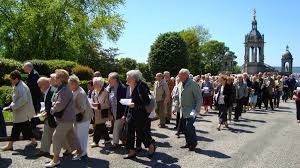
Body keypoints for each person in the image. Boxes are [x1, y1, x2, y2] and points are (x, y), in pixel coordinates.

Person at [45, 69, 78, 167]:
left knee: (56, 137)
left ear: (60, 78)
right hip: (65, 118)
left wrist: (51, 110)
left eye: (56, 76)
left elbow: (59, 105)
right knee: (70, 136)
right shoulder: (61, 87)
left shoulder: (64, 89)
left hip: (65, 118)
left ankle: (55, 160)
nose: (54, 78)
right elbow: (56, 101)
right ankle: (78, 152)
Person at [123, 70, 156, 159]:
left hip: (141, 114)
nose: (126, 78)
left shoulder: (141, 86)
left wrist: (135, 105)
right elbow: (129, 101)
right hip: (131, 113)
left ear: (133, 78)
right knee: (129, 132)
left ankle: (151, 146)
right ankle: (131, 151)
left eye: (128, 77)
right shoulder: (130, 86)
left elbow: (147, 101)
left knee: (142, 132)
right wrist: (125, 115)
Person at [1, 70, 37, 151]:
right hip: (21, 112)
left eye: (11, 79)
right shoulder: (19, 85)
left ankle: (10, 145)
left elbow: (23, 100)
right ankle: (34, 141)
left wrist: (12, 107)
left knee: (16, 128)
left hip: (22, 111)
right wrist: (11, 106)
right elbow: (17, 99)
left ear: (16, 79)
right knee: (26, 127)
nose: (10, 81)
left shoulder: (21, 87)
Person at [173, 69, 202, 151]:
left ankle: (193, 142)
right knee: (184, 128)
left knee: (189, 126)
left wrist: (197, 110)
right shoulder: (180, 84)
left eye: (180, 75)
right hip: (183, 111)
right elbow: (177, 98)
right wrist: (175, 108)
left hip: (192, 110)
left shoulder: (193, 84)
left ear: (186, 75)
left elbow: (199, 98)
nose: (178, 76)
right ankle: (188, 143)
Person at [69, 75, 94, 160]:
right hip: (79, 117)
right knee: (77, 135)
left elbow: (82, 108)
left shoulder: (80, 93)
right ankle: (79, 151)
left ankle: (82, 153)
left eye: (70, 84)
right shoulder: (75, 90)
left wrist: (71, 109)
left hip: (83, 117)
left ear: (74, 83)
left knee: (81, 136)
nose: (69, 86)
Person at [35, 77, 57, 157]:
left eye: (40, 86)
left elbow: (53, 104)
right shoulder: (48, 90)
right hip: (49, 117)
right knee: (46, 134)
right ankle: (44, 150)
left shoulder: (52, 91)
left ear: (46, 84)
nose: (40, 88)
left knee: (59, 136)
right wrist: (44, 112)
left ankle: (69, 149)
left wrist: (46, 113)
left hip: (54, 117)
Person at [106, 72, 127, 149]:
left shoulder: (122, 88)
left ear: (115, 80)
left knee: (116, 127)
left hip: (120, 112)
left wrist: (124, 114)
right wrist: (109, 112)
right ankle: (124, 140)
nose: (108, 81)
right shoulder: (109, 88)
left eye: (110, 80)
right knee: (119, 128)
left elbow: (125, 102)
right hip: (113, 112)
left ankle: (115, 143)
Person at [90, 77, 111, 148]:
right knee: (102, 126)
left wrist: (98, 105)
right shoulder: (93, 91)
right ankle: (107, 139)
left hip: (102, 112)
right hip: (95, 112)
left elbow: (108, 104)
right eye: (93, 83)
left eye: (95, 84)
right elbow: (92, 100)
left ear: (100, 84)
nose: (94, 85)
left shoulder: (106, 92)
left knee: (98, 126)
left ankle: (95, 141)